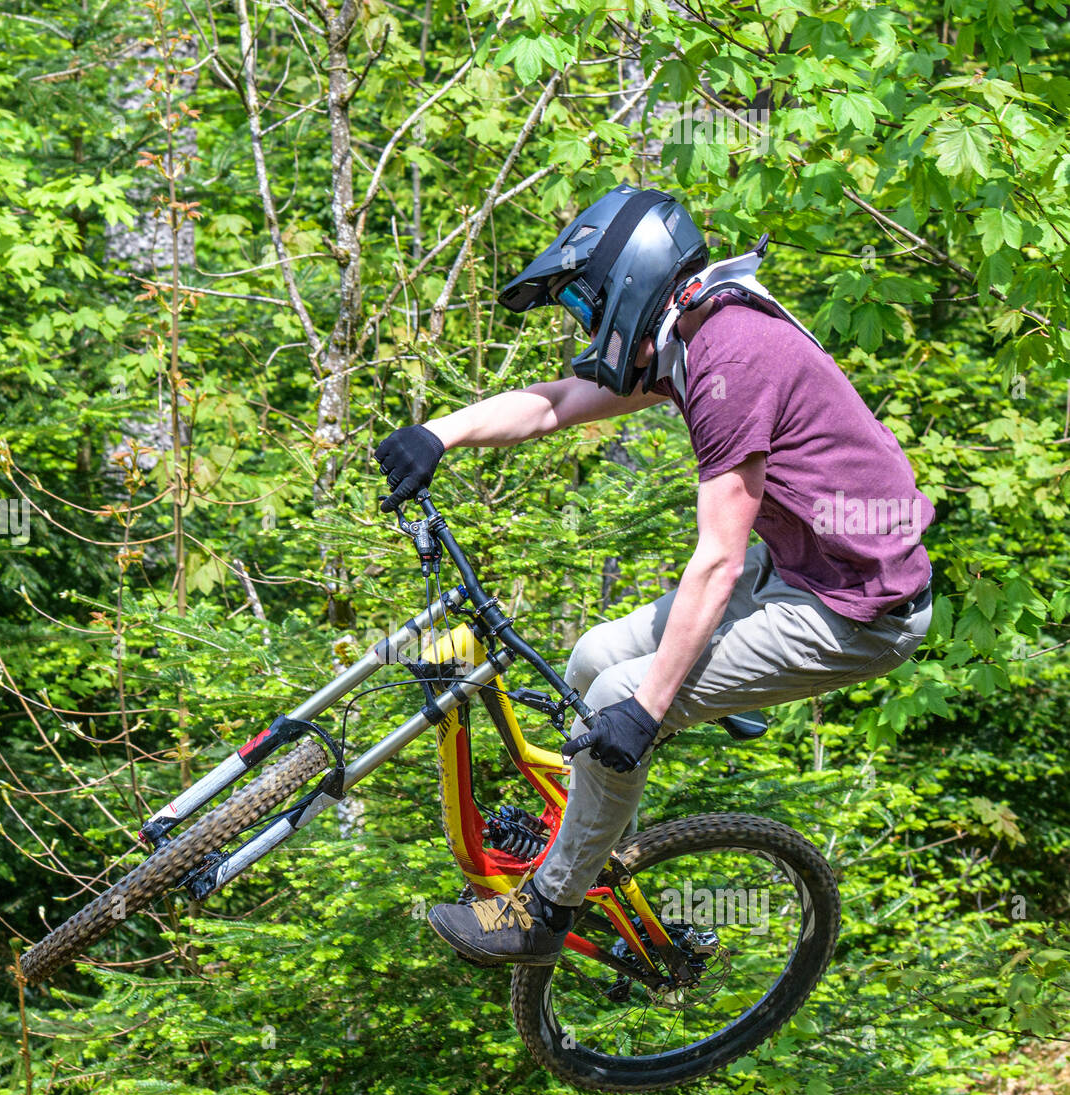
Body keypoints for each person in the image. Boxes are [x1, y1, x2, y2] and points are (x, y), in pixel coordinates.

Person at [373, 184, 934, 968]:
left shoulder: (730, 359)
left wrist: (648, 710)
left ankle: (545, 912)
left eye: (589, 302)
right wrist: (441, 433)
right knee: (594, 658)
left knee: (619, 699)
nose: (586, 324)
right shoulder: (690, 331)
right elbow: (559, 402)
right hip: (800, 566)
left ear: (633, 280)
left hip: (857, 611)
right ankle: (593, 850)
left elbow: (718, 559)